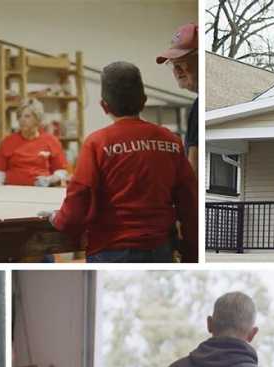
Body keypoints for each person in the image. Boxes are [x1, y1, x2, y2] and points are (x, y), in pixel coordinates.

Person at [45, 62, 197, 263]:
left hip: (111, 250)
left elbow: (78, 200)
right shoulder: (171, 141)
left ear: (104, 106)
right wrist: (191, 254)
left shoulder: (97, 143)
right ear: (144, 100)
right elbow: (190, 203)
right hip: (160, 250)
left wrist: (57, 218)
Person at [0, 98, 69, 187]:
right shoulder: (8, 141)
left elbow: (61, 170)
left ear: (38, 119)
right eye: (20, 116)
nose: (22, 120)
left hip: (41, 191)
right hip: (12, 191)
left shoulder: (51, 141)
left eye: (27, 116)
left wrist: (50, 179)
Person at [156, 22, 198, 174]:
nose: (177, 70)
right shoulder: (197, 106)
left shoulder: (200, 108)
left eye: (182, 62)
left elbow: (194, 172)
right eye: (173, 64)